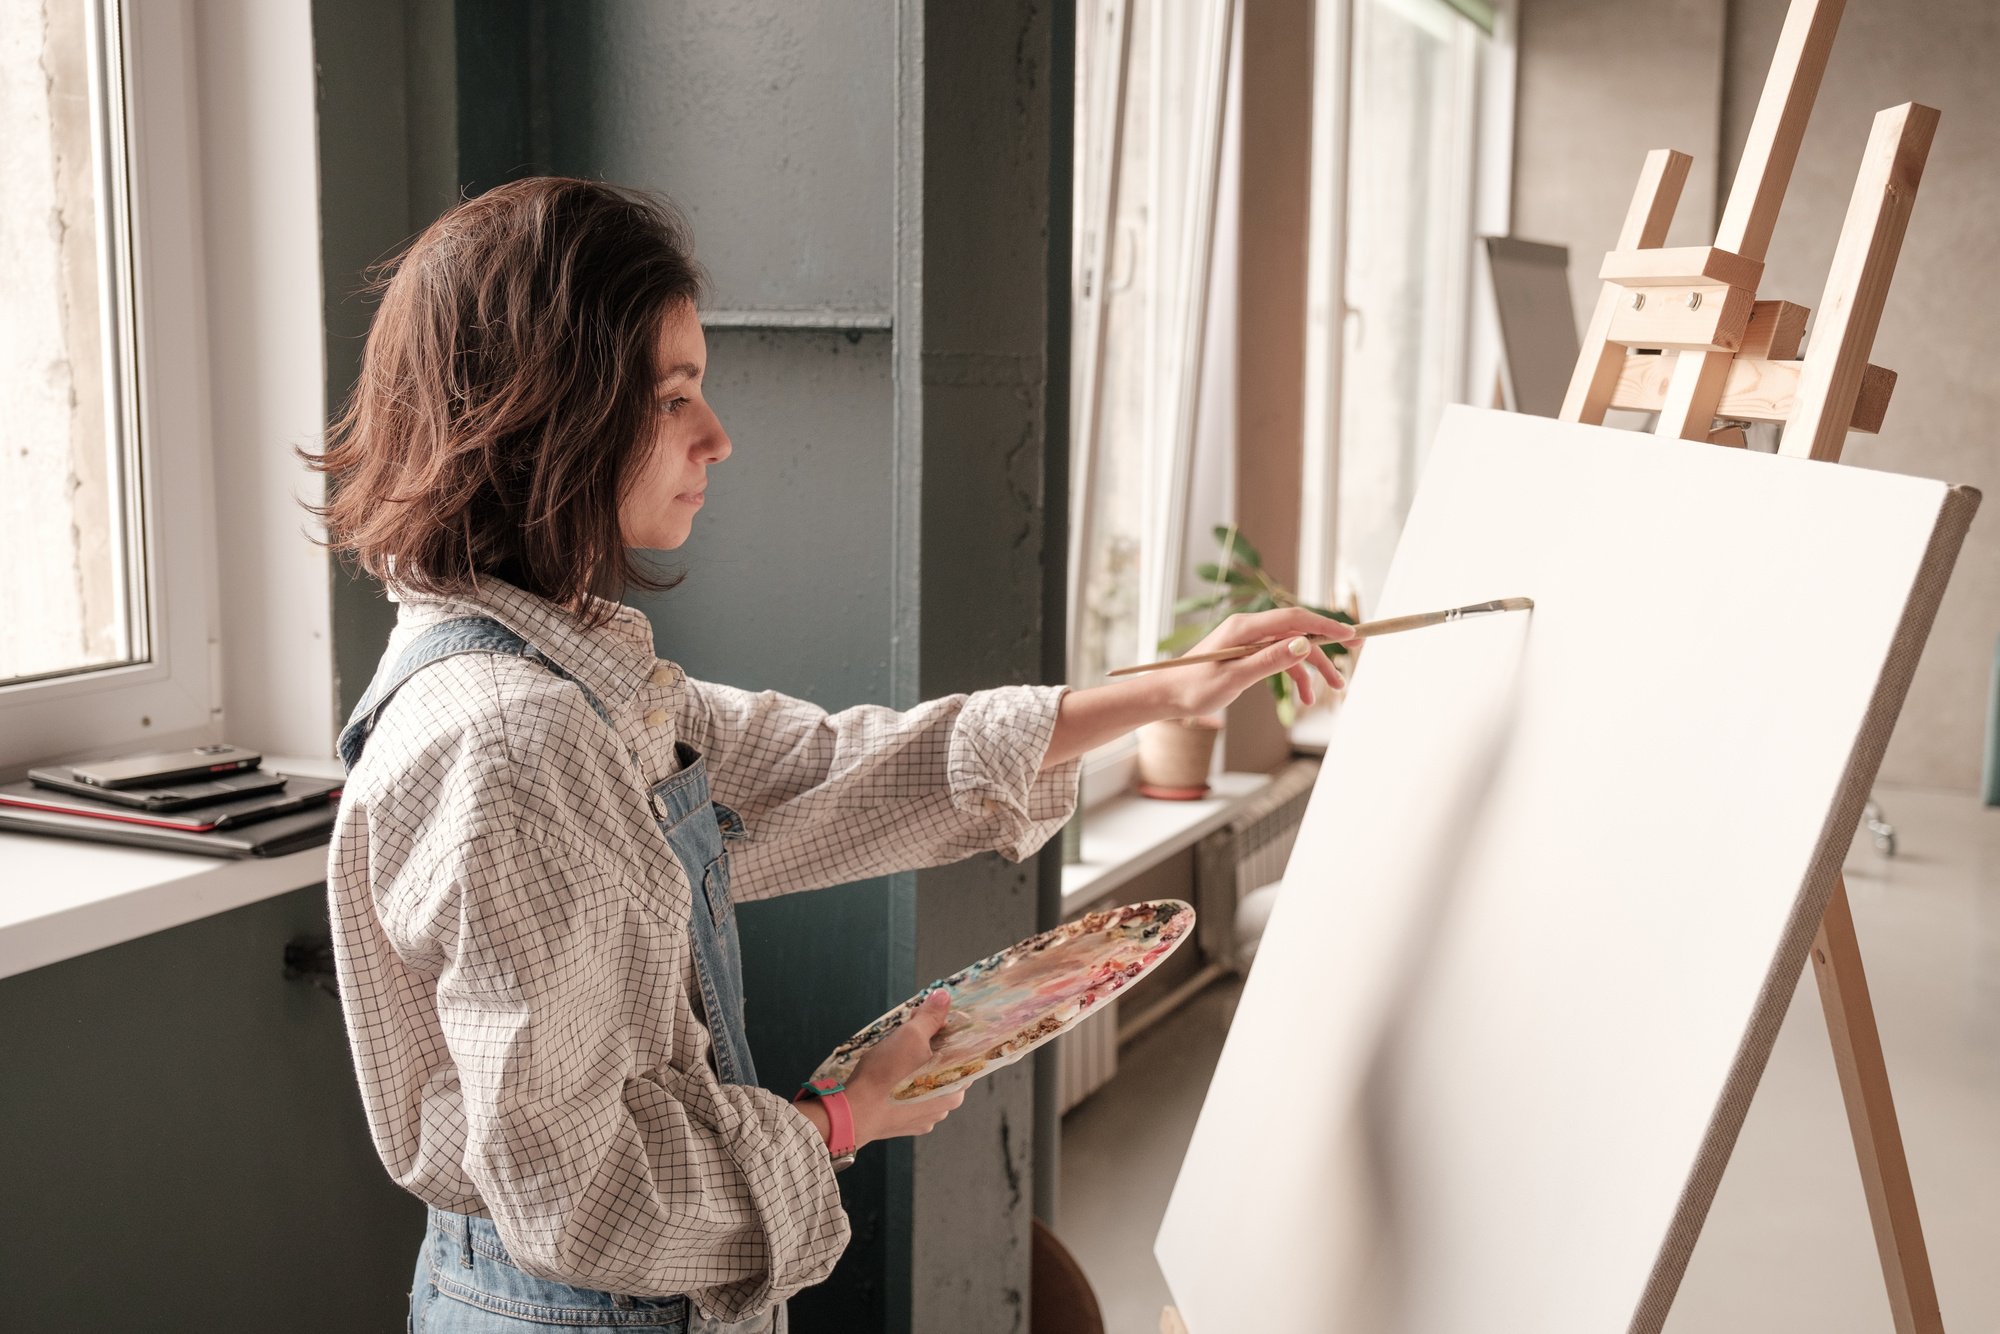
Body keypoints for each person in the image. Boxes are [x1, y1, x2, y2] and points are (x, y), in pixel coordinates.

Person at [311, 177, 1350, 1333]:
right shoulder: (517, 738)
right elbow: (585, 1195)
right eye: (673, 396)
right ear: (546, 415)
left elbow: (826, 768)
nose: (717, 435)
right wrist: (843, 1117)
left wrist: (1164, 686)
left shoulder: (554, 677)